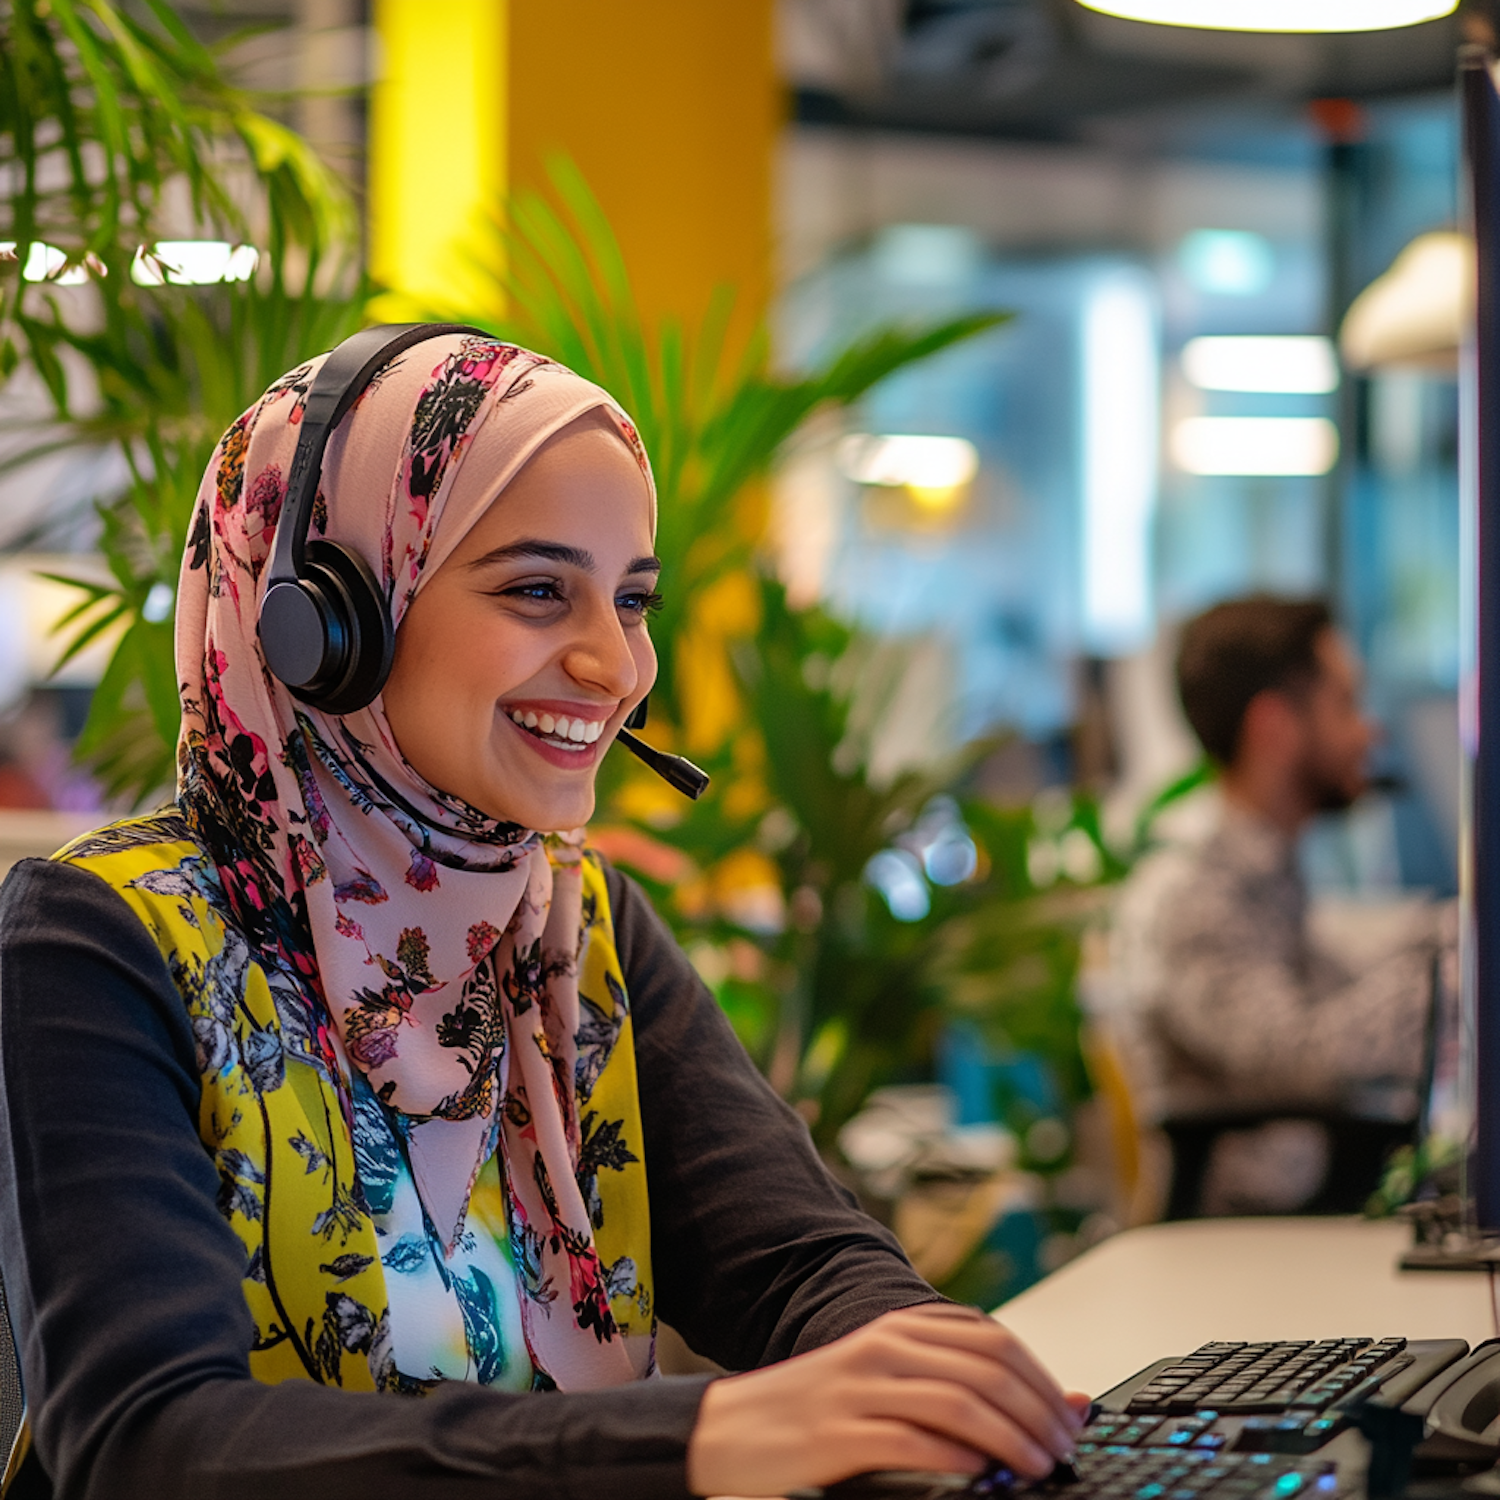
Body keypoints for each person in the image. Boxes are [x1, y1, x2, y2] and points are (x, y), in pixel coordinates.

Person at [0, 330, 1085, 1500]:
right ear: (321, 628)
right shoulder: (97, 944)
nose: (616, 665)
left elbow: (796, 1262)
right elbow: (147, 1444)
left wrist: (925, 1382)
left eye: (632, 600)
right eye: (536, 590)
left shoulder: (575, 924)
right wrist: (697, 1438)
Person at [1110, 597, 1442, 1214]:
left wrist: (1444, 932)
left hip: (1299, 1212)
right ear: (1274, 728)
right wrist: (1451, 978)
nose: (1369, 731)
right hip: (1240, 1237)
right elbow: (1295, 1055)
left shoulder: (1261, 871)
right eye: (1346, 704)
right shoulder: (1194, 894)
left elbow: (1336, 962)